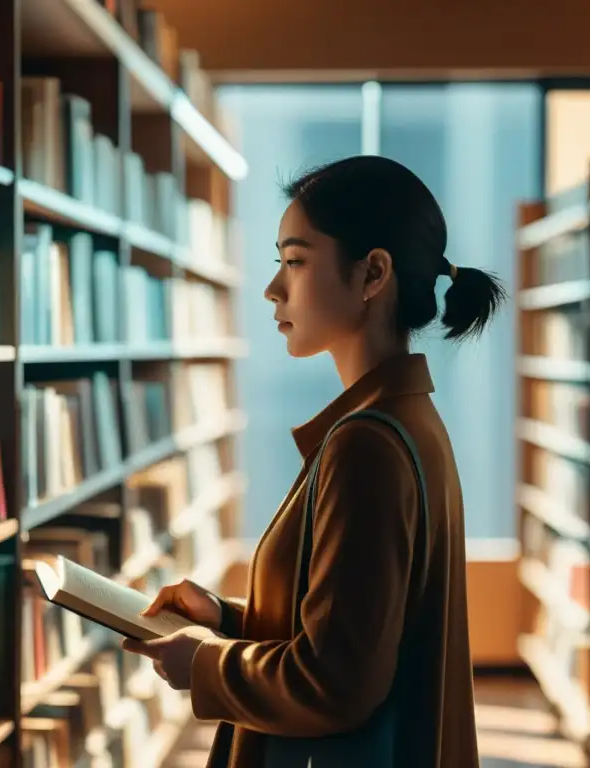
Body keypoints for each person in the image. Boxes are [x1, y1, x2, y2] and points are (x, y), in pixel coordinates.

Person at [122, 155, 506, 768]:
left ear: (372, 273)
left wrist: (204, 664)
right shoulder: (405, 418)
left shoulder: (368, 446)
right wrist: (224, 619)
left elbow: (336, 682)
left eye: (296, 261)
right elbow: (353, 630)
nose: (274, 288)